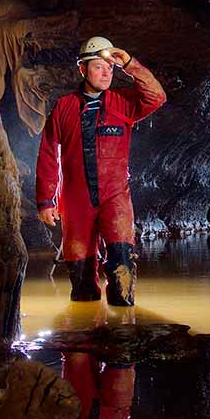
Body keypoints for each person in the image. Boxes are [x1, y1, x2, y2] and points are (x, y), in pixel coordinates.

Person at [35, 36, 166, 306]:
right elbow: (49, 154)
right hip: (76, 200)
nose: (106, 73)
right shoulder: (64, 107)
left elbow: (157, 96)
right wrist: (46, 201)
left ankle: (121, 328)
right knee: (81, 280)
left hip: (115, 198)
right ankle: (86, 333)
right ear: (82, 69)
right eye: (98, 67)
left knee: (121, 266)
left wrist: (129, 64)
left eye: (109, 68)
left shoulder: (124, 103)